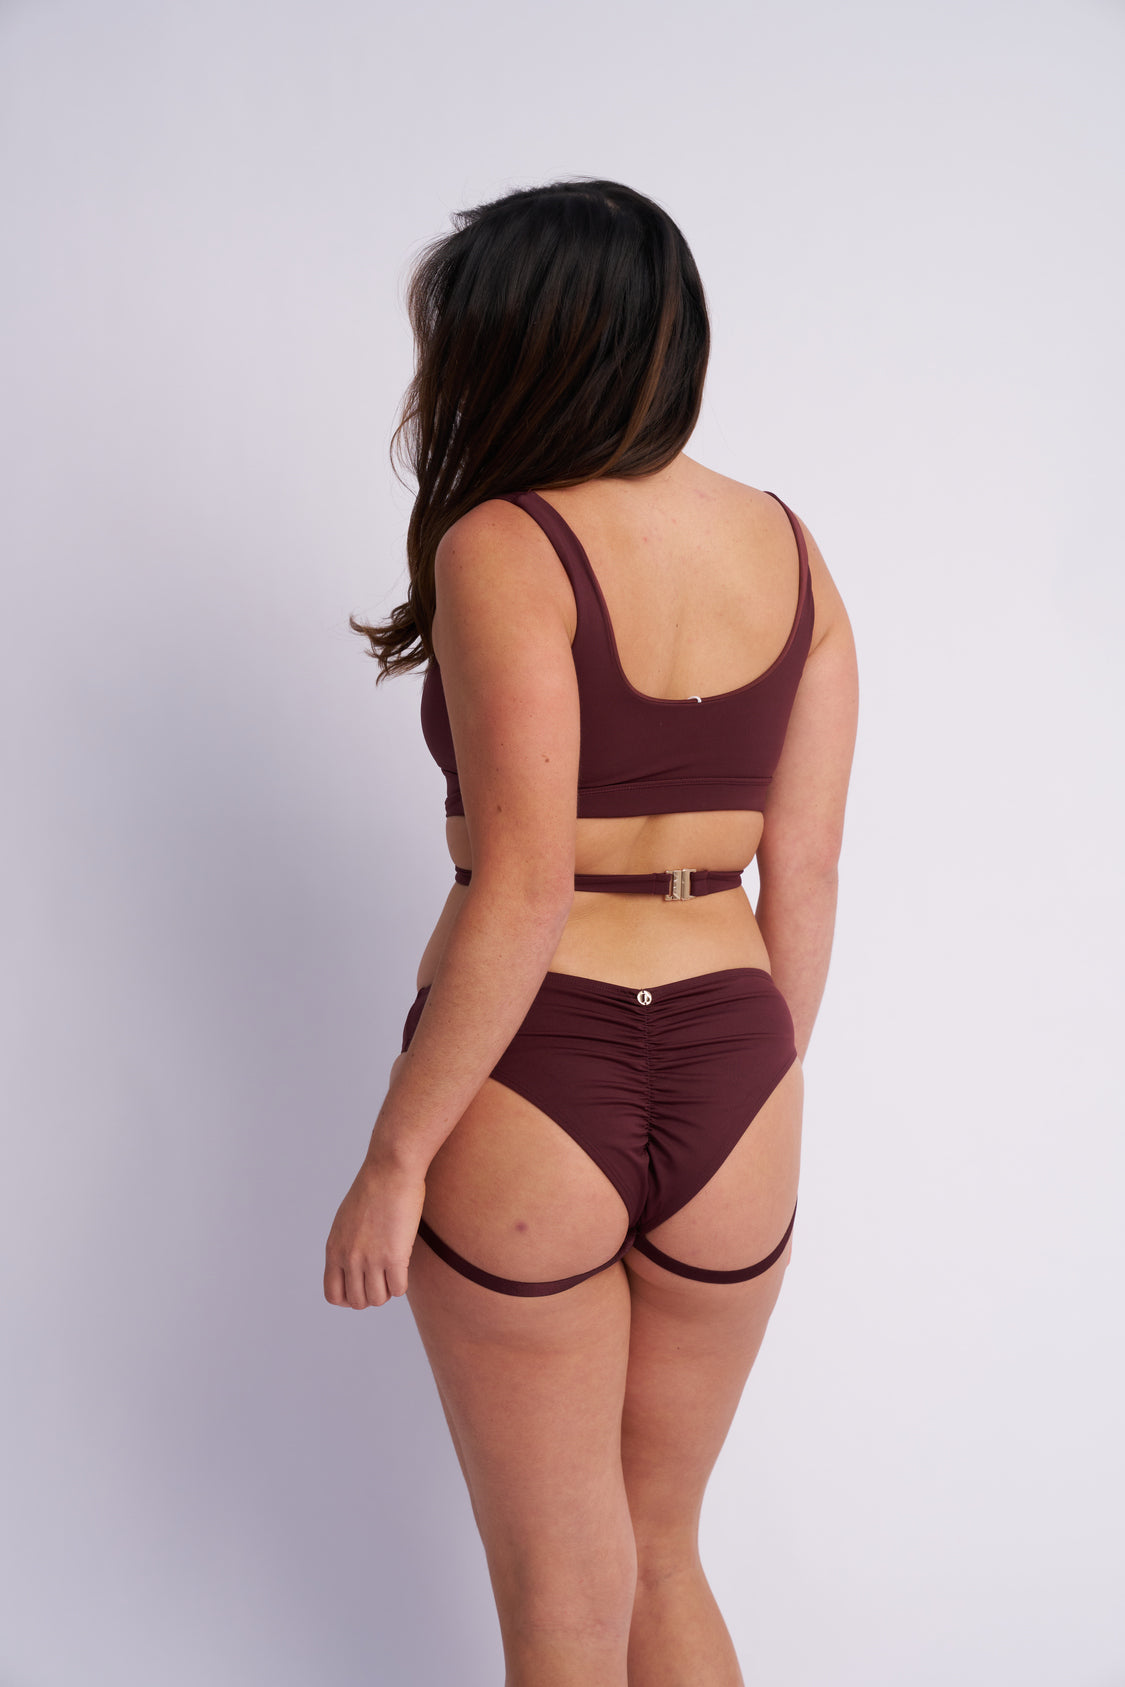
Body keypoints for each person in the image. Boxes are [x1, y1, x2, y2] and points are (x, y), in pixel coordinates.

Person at [324, 178, 858, 1687]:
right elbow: (807, 874)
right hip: (739, 1067)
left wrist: (394, 1162)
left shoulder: (504, 543)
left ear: (522, 346)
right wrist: (756, 1080)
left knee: (563, 1596)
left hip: (536, 1067)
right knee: (662, 1548)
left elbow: (525, 884)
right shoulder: (791, 551)